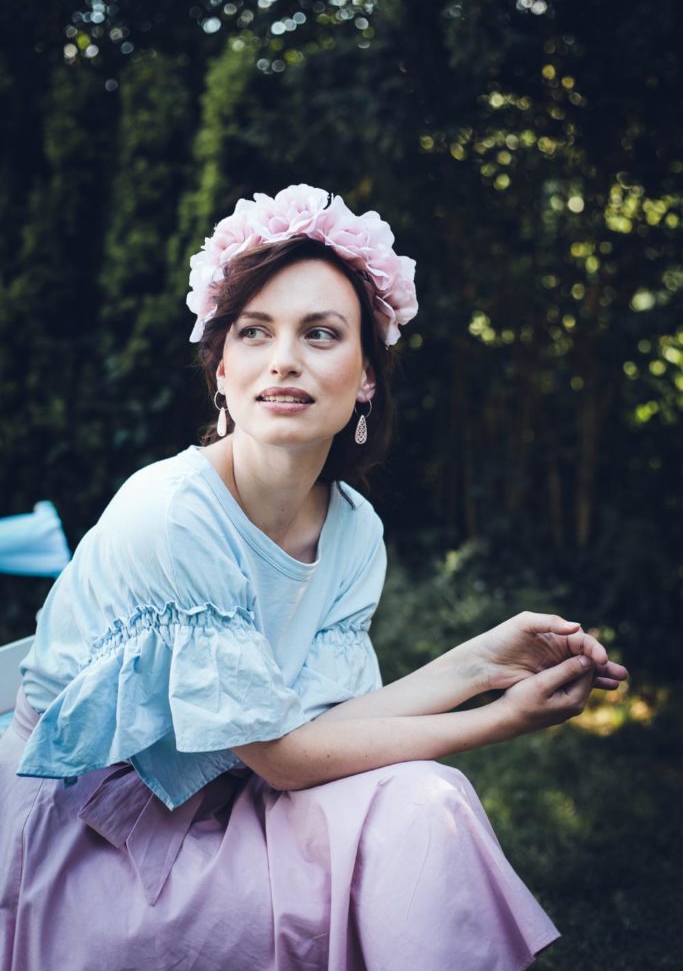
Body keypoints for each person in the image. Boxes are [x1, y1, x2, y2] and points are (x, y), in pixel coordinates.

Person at [0, 184, 628, 971]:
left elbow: (325, 728)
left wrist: (483, 662)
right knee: (403, 807)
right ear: (222, 369)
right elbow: (286, 760)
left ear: (366, 377)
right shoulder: (171, 511)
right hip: (86, 836)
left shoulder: (355, 531)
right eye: (255, 332)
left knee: (422, 799)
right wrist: (498, 718)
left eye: (321, 333)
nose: (284, 358)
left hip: (231, 795)